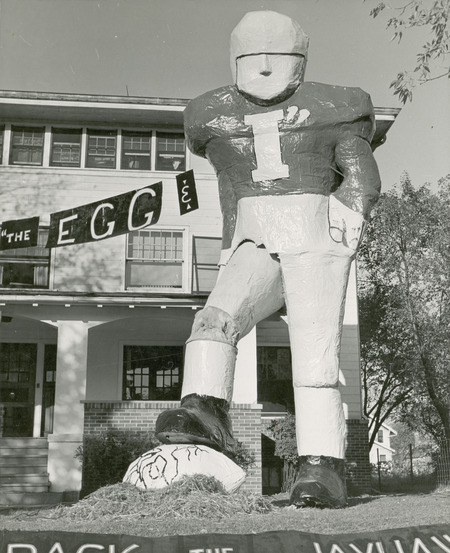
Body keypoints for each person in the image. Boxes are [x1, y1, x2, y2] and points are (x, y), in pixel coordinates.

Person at [156, 10, 381, 508]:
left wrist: (344, 228)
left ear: (298, 60)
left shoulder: (335, 106)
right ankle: (204, 410)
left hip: (312, 228)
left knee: (314, 353)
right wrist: (227, 248)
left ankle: (323, 466)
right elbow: (231, 188)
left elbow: (361, 174)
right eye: (250, 58)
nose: (261, 69)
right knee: (214, 319)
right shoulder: (212, 114)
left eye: (274, 57)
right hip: (255, 236)